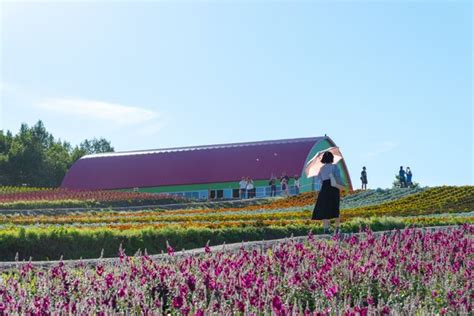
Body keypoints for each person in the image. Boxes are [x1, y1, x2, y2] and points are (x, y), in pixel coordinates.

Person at [312, 151, 345, 234]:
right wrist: (341, 185)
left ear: (323, 159)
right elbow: (338, 178)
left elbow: (319, 179)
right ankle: (337, 228)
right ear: (332, 158)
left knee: (325, 208)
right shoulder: (335, 167)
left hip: (324, 188)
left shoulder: (321, 169)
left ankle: (326, 229)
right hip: (333, 188)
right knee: (335, 207)